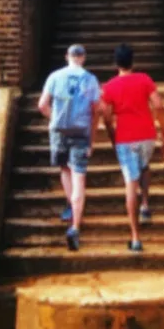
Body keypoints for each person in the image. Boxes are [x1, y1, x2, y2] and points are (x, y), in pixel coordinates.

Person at [97, 44, 164, 252]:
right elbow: (159, 105)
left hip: (126, 138)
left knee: (131, 183)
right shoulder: (144, 79)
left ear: (116, 63)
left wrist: (113, 137)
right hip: (147, 135)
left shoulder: (109, 87)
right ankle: (145, 204)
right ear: (133, 61)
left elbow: (106, 116)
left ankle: (136, 238)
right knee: (145, 166)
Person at [39, 44, 101, 251]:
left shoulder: (55, 76)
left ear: (67, 56)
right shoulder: (90, 79)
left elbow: (42, 105)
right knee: (79, 176)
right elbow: (96, 110)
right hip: (80, 132)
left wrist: (53, 119)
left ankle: (69, 207)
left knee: (64, 169)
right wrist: (92, 139)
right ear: (83, 58)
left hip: (59, 131)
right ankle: (75, 227)